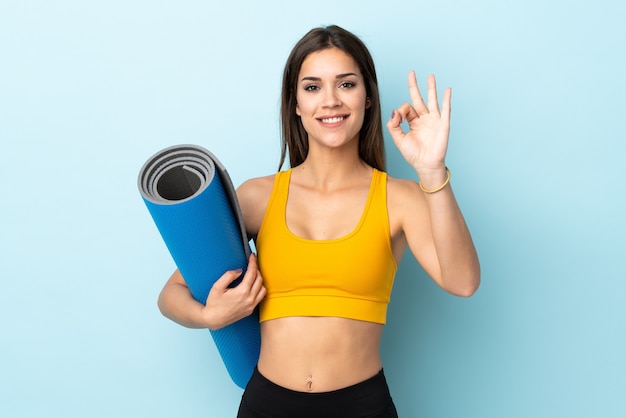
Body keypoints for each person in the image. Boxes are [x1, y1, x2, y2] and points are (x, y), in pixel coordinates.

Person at [157, 25, 480, 418]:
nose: (330, 100)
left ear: (368, 99)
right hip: (266, 404)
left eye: (346, 85)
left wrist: (432, 173)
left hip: (362, 406)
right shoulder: (258, 197)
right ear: (294, 103)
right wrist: (212, 315)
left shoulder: (400, 198)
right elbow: (171, 295)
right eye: (312, 87)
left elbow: (462, 282)